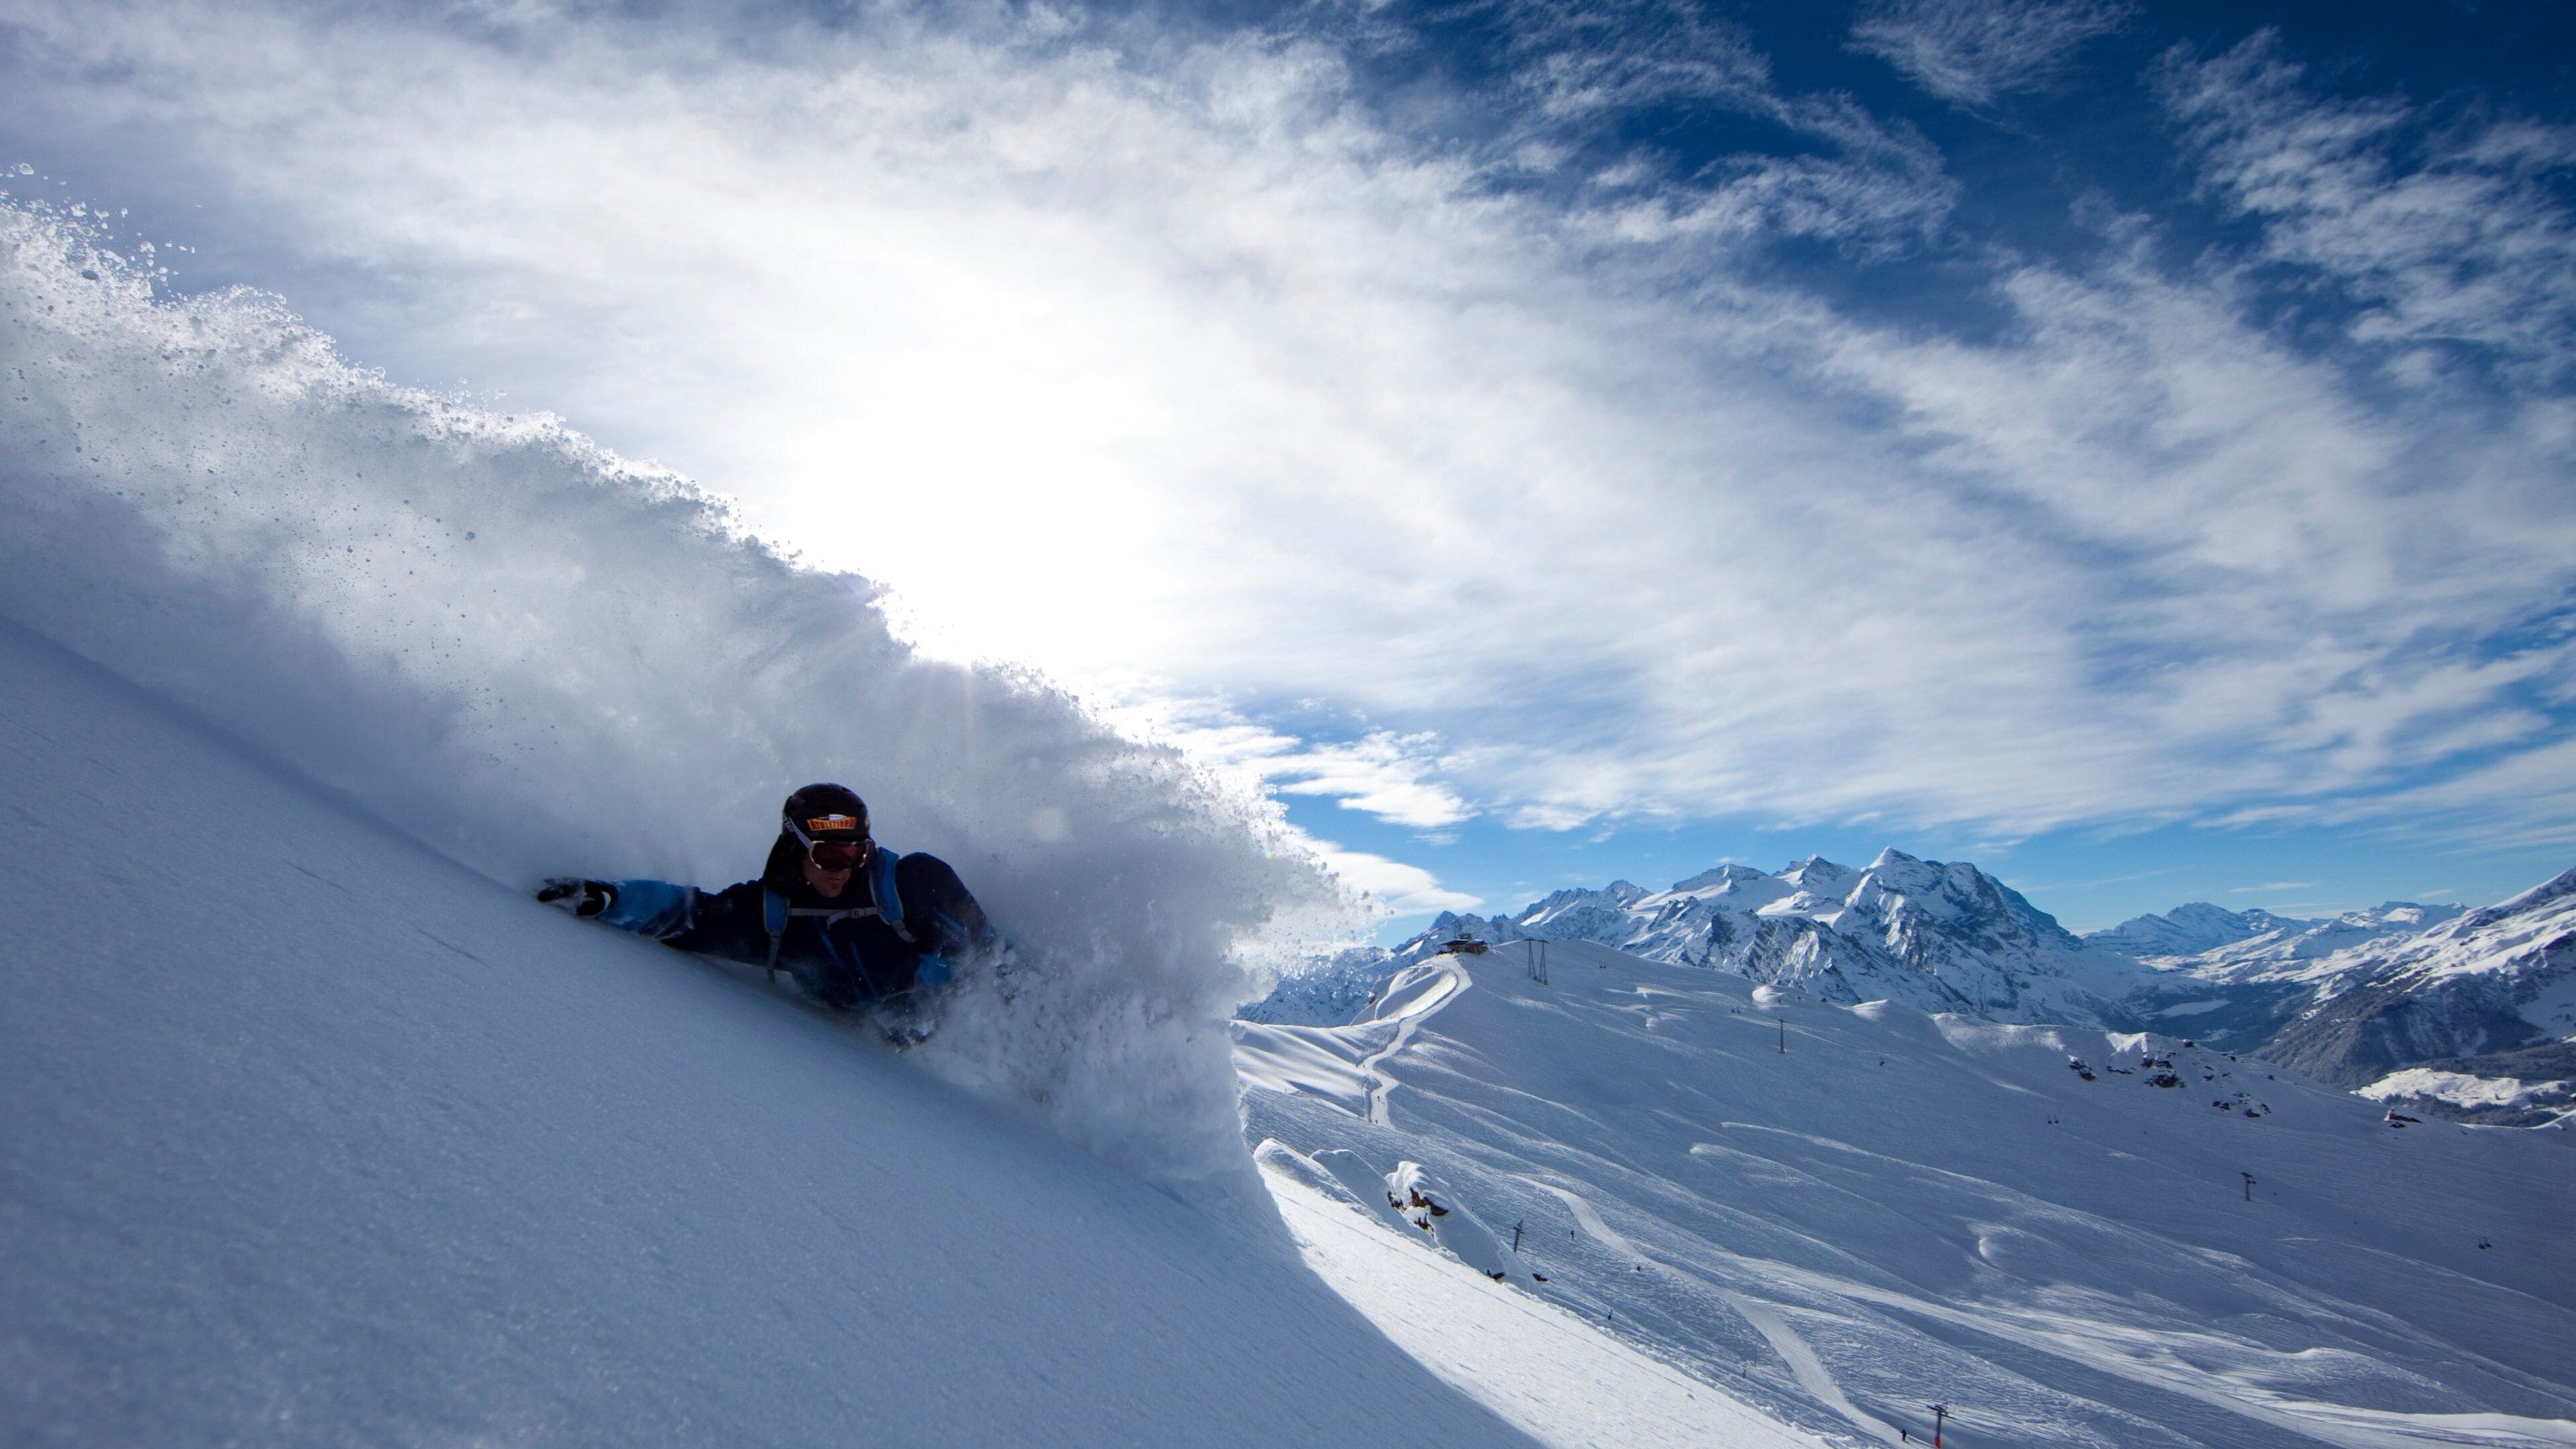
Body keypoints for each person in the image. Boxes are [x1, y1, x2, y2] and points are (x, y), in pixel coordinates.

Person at [538, 783, 994, 1013]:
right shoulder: (774, 916)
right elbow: (689, 915)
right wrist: (610, 899)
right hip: (868, 1049)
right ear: (796, 846)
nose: (847, 866)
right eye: (831, 853)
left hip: (954, 1026)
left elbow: (993, 959)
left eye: (858, 851)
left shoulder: (913, 883)